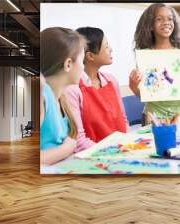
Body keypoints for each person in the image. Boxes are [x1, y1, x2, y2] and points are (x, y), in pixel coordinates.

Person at [63, 27, 128, 151]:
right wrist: (113, 151)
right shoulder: (72, 89)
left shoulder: (111, 81)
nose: (111, 50)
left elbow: (123, 120)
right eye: (106, 46)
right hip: (93, 157)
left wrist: (125, 145)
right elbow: (79, 141)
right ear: (90, 56)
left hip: (121, 151)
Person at [128, 3, 180, 125]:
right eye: (159, 19)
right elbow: (144, 94)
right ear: (150, 25)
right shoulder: (145, 57)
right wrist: (134, 87)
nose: (166, 22)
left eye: (170, 18)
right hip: (153, 117)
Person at [40, 27, 85, 165]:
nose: (83, 67)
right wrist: (67, 148)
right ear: (68, 64)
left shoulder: (61, 99)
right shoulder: (43, 96)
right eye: (82, 61)